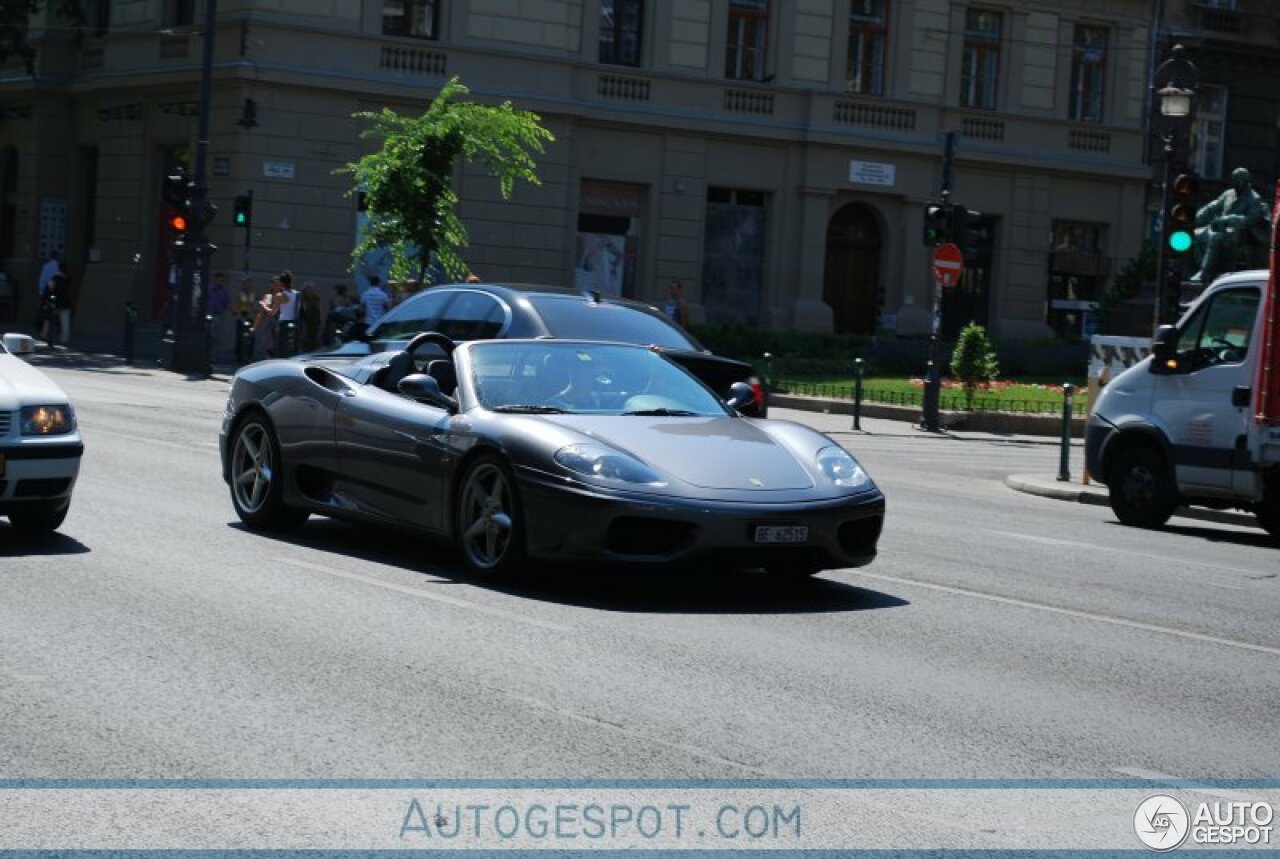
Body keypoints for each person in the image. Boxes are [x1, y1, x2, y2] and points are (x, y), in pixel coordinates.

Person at [1191, 167, 1271, 284]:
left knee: (1215, 238)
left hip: (1240, 235)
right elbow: (1213, 206)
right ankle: (1205, 267)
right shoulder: (1229, 193)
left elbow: (1250, 220)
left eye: (1238, 180)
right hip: (1220, 229)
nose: (1235, 183)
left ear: (1245, 181)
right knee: (1194, 235)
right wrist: (1195, 218)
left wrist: (1228, 219)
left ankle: (1204, 273)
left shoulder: (1254, 199)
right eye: (1234, 180)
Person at [272, 271, 298, 355]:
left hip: (283, 322)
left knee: (281, 346)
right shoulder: (297, 294)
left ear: (282, 283)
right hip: (294, 322)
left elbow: (274, 311)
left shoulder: (280, 295)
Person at [298, 280, 323, 353]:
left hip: (314, 322)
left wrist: (321, 322)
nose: (310, 291)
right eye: (308, 289)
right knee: (304, 339)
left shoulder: (316, 298)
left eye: (312, 289)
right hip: (304, 322)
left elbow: (320, 311)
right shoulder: (301, 298)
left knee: (315, 341)